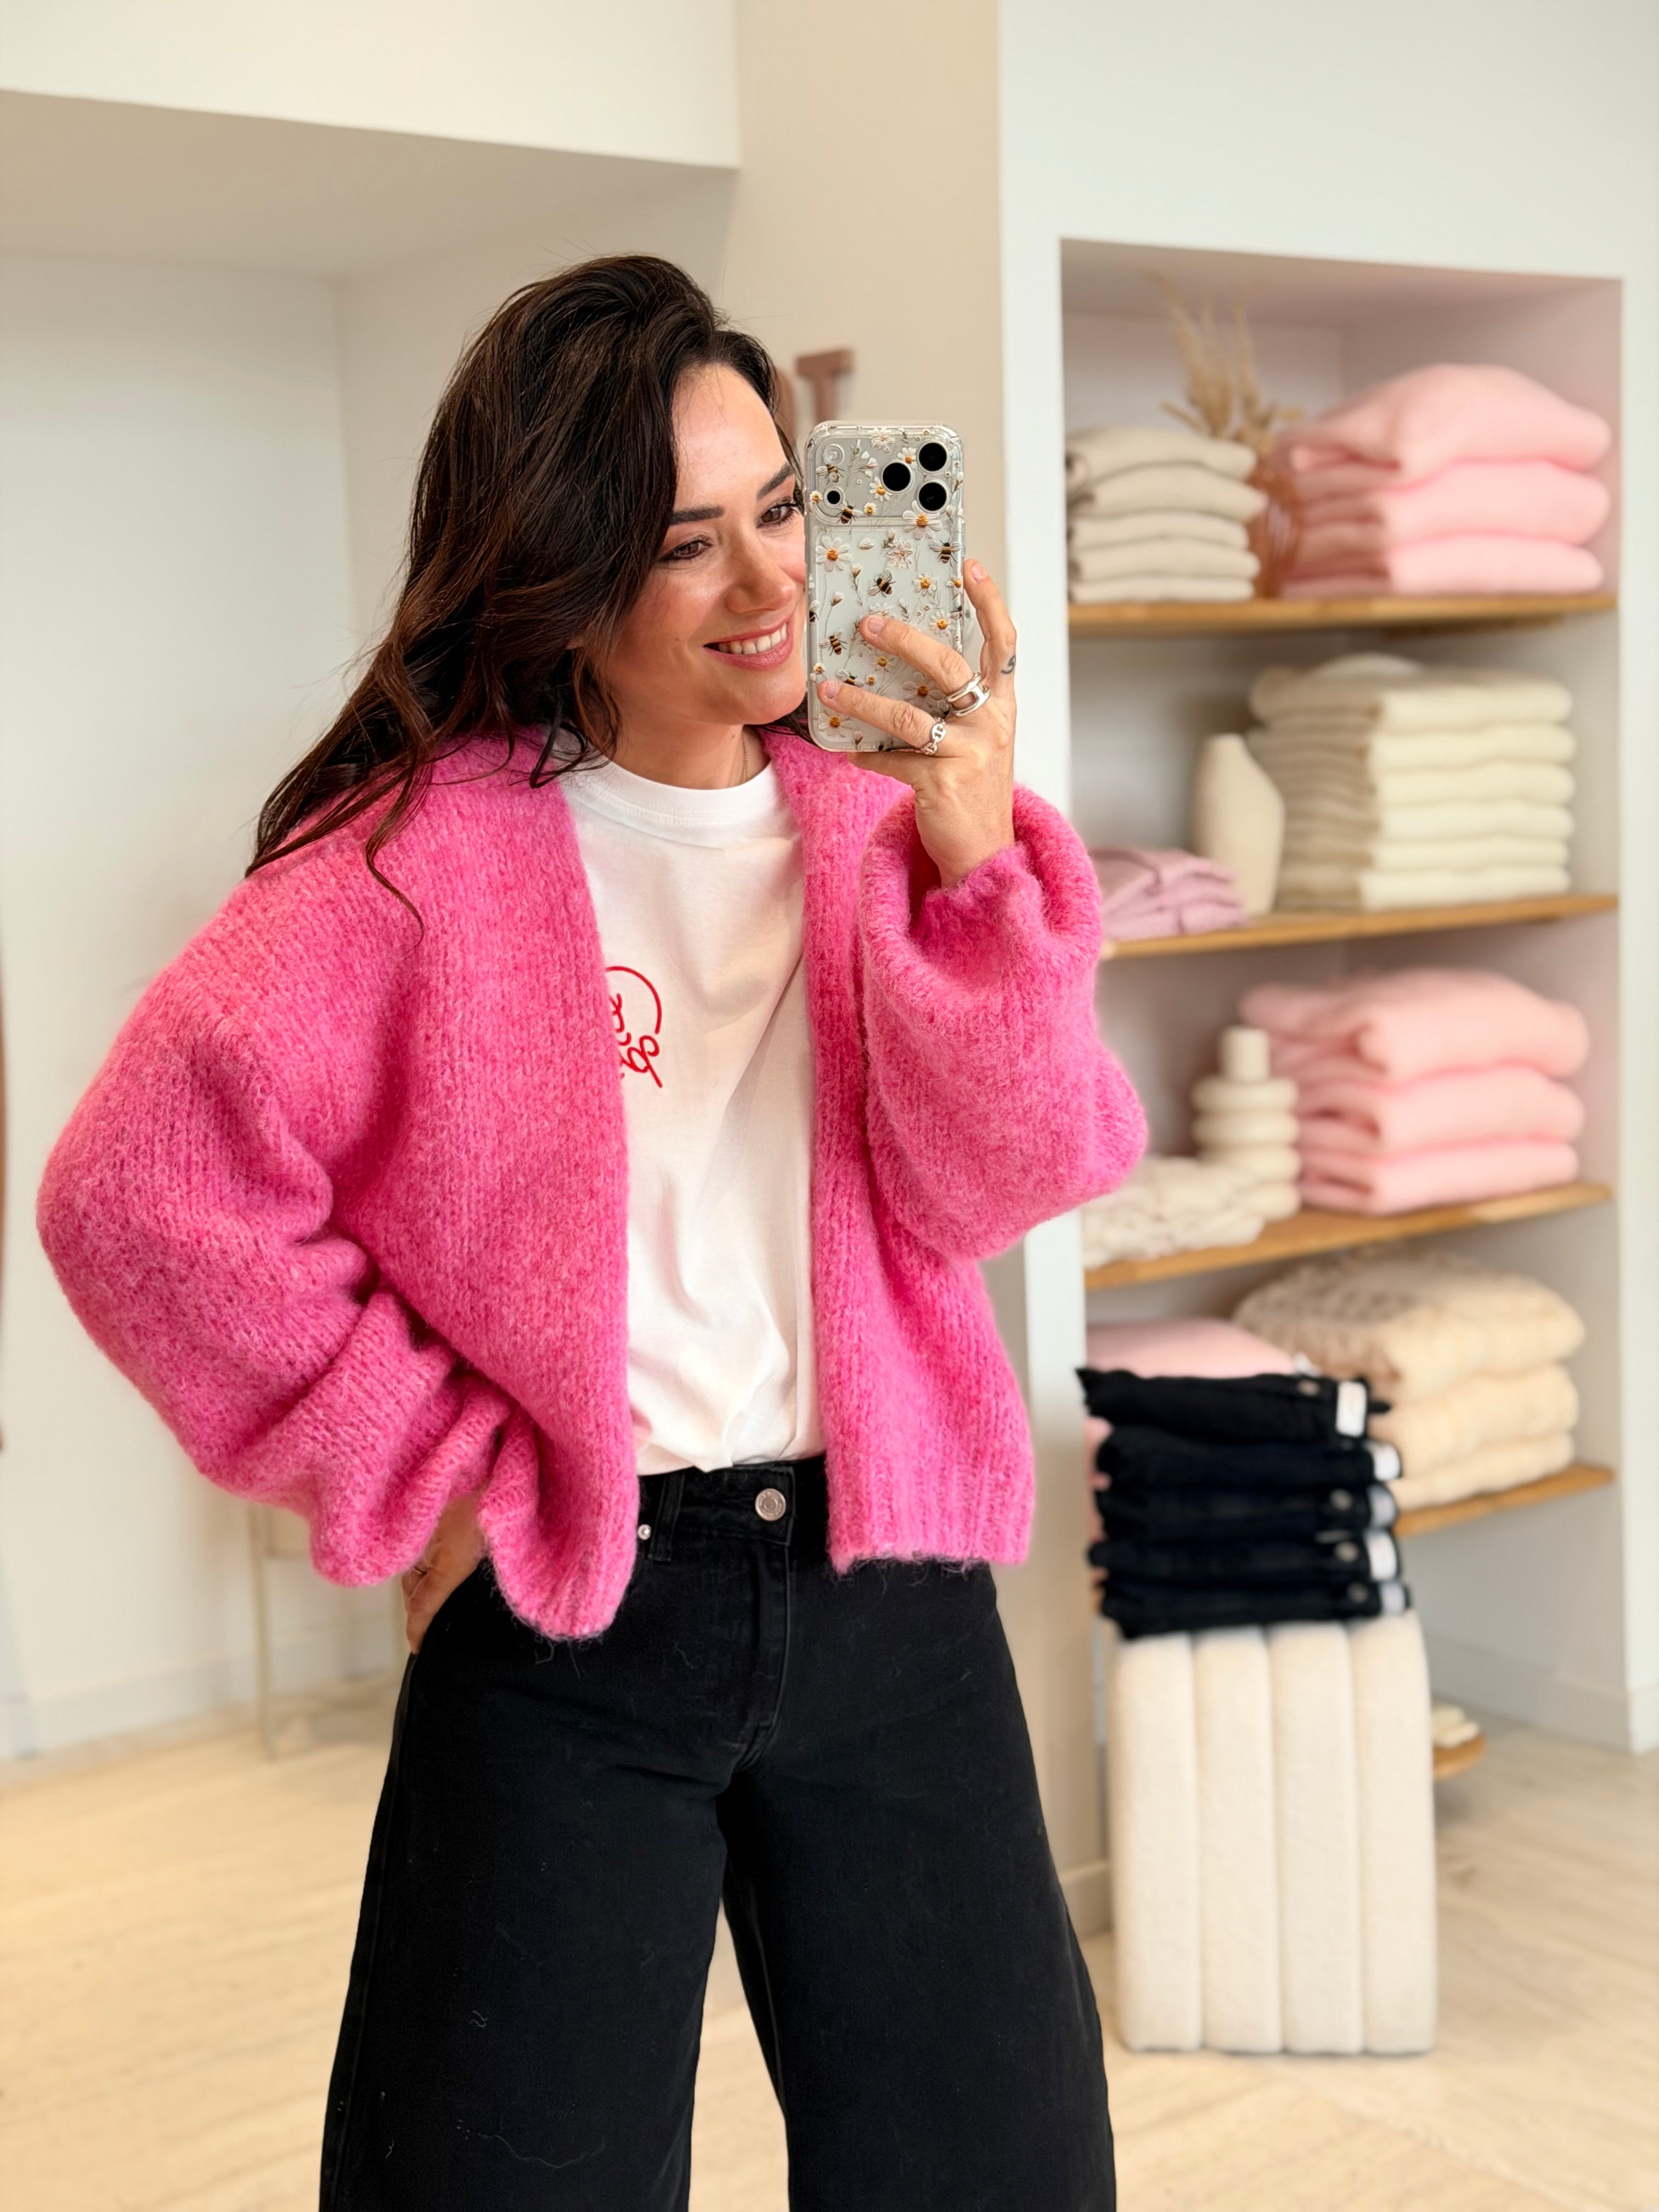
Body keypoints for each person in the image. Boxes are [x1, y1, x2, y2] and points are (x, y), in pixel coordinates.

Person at [36, 255, 1146, 2209]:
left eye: (784, 508)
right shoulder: (411, 862)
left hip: (896, 1591)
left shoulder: (887, 820)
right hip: (573, 1604)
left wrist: (978, 844)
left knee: (1003, 2173)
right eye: (686, 544)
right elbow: (136, 1197)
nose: (771, 582)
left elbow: (1018, 1174)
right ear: (561, 577)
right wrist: (423, 1469)